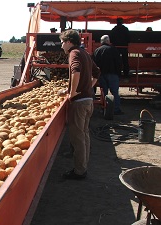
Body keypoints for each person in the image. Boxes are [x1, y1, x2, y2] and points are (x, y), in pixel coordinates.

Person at [59, 29, 101, 180]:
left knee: (77, 138)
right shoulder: (85, 54)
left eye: (62, 42)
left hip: (79, 103)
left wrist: (73, 93)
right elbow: (97, 72)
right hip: (88, 101)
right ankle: (83, 165)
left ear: (69, 42)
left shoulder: (74, 53)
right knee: (84, 135)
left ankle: (80, 171)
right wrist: (86, 87)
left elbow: (75, 71)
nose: (61, 45)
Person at [93, 35, 124, 115]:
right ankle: (116, 109)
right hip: (113, 74)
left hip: (102, 75)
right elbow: (119, 63)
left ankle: (104, 109)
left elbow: (94, 63)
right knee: (115, 93)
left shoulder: (97, 50)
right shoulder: (114, 50)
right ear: (108, 41)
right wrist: (119, 73)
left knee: (104, 93)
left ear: (101, 42)